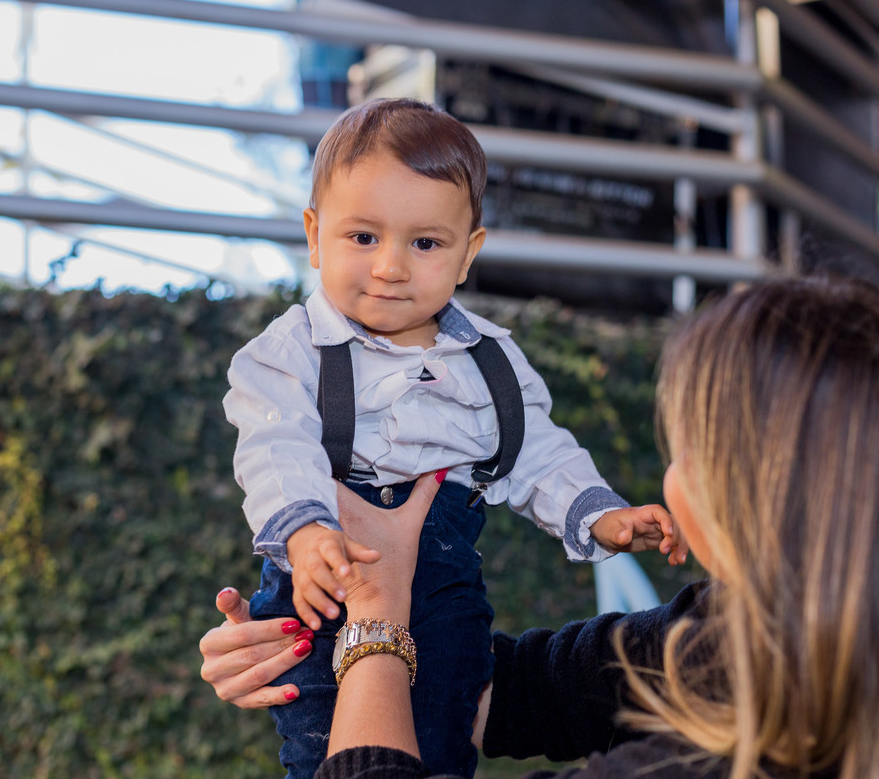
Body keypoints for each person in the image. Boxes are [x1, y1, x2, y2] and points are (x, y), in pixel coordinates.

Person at [203, 276, 879, 778]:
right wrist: (322, 663)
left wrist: (374, 617)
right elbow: (540, 690)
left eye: (691, 449)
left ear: (769, 501)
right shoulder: (744, 639)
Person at [223, 97, 685, 779]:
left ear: (468, 253)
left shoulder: (491, 362)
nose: (390, 266)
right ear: (314, 235)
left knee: (442, 737)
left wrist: (599, 511)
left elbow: (537, 452)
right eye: (363, 238)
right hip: (321, 582)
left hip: (447, 590)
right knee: (324, 746)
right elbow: (275, 448)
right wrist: (304, 529)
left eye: (425, 243)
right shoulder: (289, 352)